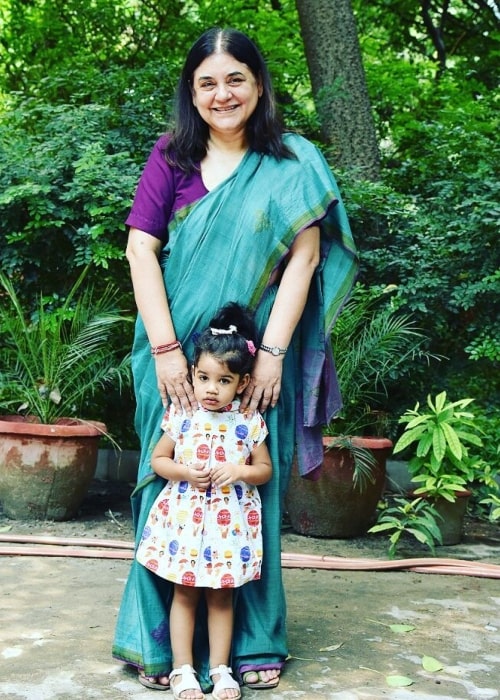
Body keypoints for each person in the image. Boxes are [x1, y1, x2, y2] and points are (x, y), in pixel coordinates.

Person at [112, 26, 358, 694]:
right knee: (167, 492)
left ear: (258, 84)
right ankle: (158, 645)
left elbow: (306, 257)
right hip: (172, 362)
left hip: (248, 367)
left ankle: (251, 643)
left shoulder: (293, 161)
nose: (222, 94)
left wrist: (272, 355)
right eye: (206, 83)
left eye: (235, 79)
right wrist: (165, 351)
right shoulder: (172, 159)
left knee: (250, 495)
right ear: (191, 93)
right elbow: (141, 250)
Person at [136, 302, 272, 700]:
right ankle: (181, 669)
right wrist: (184, 472)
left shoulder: (248, 421)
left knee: (222, 595)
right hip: (185, 524)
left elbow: (264, 469)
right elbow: (158, 460)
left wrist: (240, 471)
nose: (211, 389)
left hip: (228, 526)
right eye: (204, 377)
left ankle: (220, 669)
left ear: (242, 384)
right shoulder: (183, 414)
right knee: (184, 592)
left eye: (224, 380)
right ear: (193, 374)